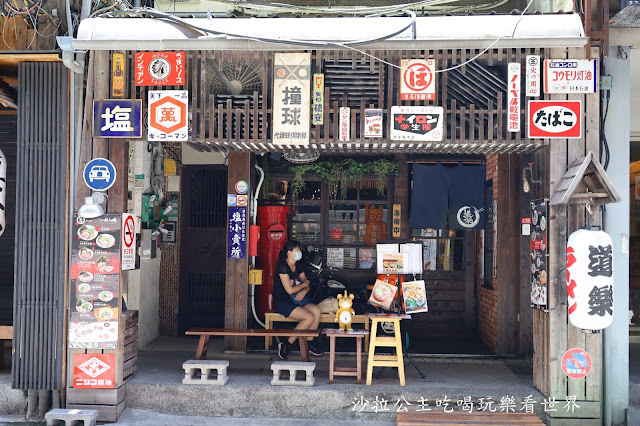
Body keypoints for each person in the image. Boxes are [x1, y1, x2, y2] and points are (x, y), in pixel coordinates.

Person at [273, 240, 323, 360]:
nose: (299, 252)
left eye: (299, 250)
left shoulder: (299, 265)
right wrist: (304, 284)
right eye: (297, 250)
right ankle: (287, 344)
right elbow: (290, 290)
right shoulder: (283, 266)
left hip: (298, 299)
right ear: (289, 253)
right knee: (309, 317)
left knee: (316, 311)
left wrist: (304, 291)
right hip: (283, 301)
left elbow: (307, 284)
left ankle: (310, 343)